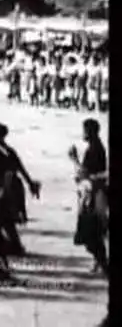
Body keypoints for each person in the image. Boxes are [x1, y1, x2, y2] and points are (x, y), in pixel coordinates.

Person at [68, 118, 108, 277]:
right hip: (95, 193)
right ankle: (101, 262)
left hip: (93, 195)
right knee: (95, 231)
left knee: (90, 231)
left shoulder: (93, 149)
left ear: (90, 132)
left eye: (84, 130)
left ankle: (104, 264)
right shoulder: (97, 147)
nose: (82, 133)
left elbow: (85, 173)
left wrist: (74, 159)